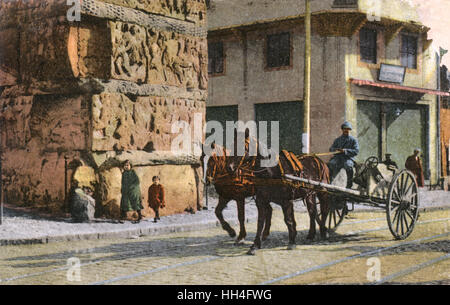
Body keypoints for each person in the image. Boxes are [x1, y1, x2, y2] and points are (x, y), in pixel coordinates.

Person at [328, 121, 360, 189]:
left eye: (348, 129)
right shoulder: (337, 140)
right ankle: (329, 182)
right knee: (331, 163)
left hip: (348, 158)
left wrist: (345, 151)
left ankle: (349, 184)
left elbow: (356, 151)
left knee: (348, 165)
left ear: (350, 130)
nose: (346, 130)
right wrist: (335, 150)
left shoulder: (353, 140)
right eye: (345, 129)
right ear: (342, 130)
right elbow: (331, 149)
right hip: (338, 158)